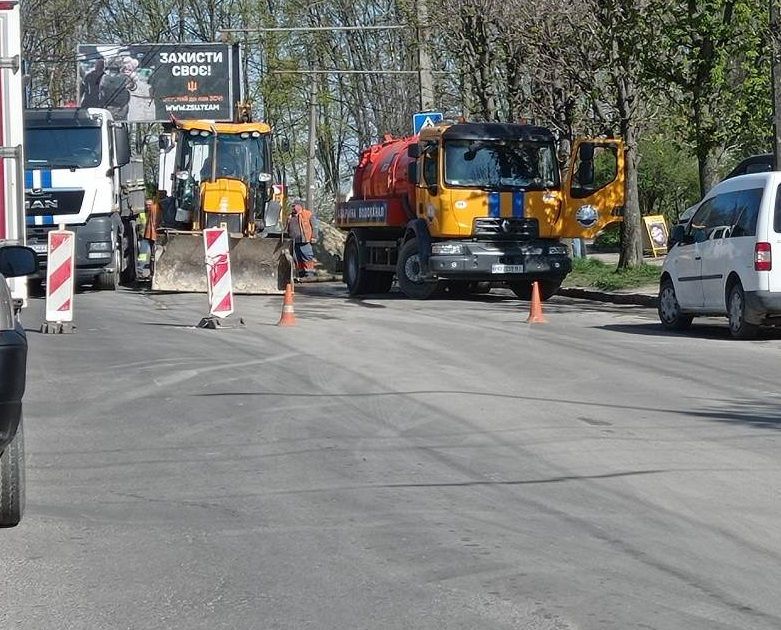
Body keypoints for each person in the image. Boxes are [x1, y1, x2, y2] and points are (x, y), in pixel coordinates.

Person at [285, 200, 318, 279]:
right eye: (292, 206)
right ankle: (301, 273)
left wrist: (314, 237)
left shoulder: (307, 214)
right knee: (297, 258)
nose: (292, 208)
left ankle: (309, 273)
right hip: (294, 241)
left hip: (304, 240)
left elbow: (315, 227)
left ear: (299, 206)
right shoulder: (290, 216)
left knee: (307, 256)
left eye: (294, 206)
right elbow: (287, 228)